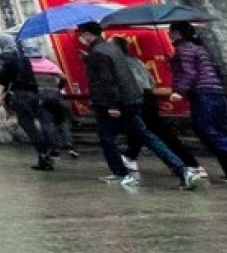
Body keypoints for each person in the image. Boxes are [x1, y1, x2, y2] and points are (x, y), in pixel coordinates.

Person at [75, 22, 204, 189]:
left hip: (111, 102)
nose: (80, 38)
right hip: (131, 99)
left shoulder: (98, 53)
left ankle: (120, 173)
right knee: (146, 135)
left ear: (88, 34)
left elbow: (107, 80)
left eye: (82, 34)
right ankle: (181, 169)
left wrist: (113, 105)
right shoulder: (111, 49)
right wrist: (88, 59)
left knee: (107, 139)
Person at [111, 36, 203, 176]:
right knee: (141, 129)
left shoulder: (120, 63)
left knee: (155, 132)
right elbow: (152, 82)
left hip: (137, 98)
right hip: (148, 97)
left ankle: (190, 164)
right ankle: (131, 156)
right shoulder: (137, 61)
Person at [168, 22, 227, 182]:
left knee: (206, 131)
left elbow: (189, 73)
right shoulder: (198, 48)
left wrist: (179, 91)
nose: (169, 34)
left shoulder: (184, 50)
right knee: (219, 131)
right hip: (216, 93)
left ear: (178, 33)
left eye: (171, 31)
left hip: (203, 94)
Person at [0, 34, 55, 171]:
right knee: (38, 124)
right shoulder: (24, 57)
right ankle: (47, 152)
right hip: (33, 94)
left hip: (19, 95)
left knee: (29, 127)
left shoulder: (5, 57)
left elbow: (2, 78)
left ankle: (44, 154)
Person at [23, 44, 79, 159]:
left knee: (46, 122)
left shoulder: (27, 66)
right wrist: (58, 87)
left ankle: (53, 148)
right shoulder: (48, 63)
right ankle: (69, 145)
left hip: (40, 96)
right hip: (55, 94)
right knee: (62, 120)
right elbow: (63, 77)